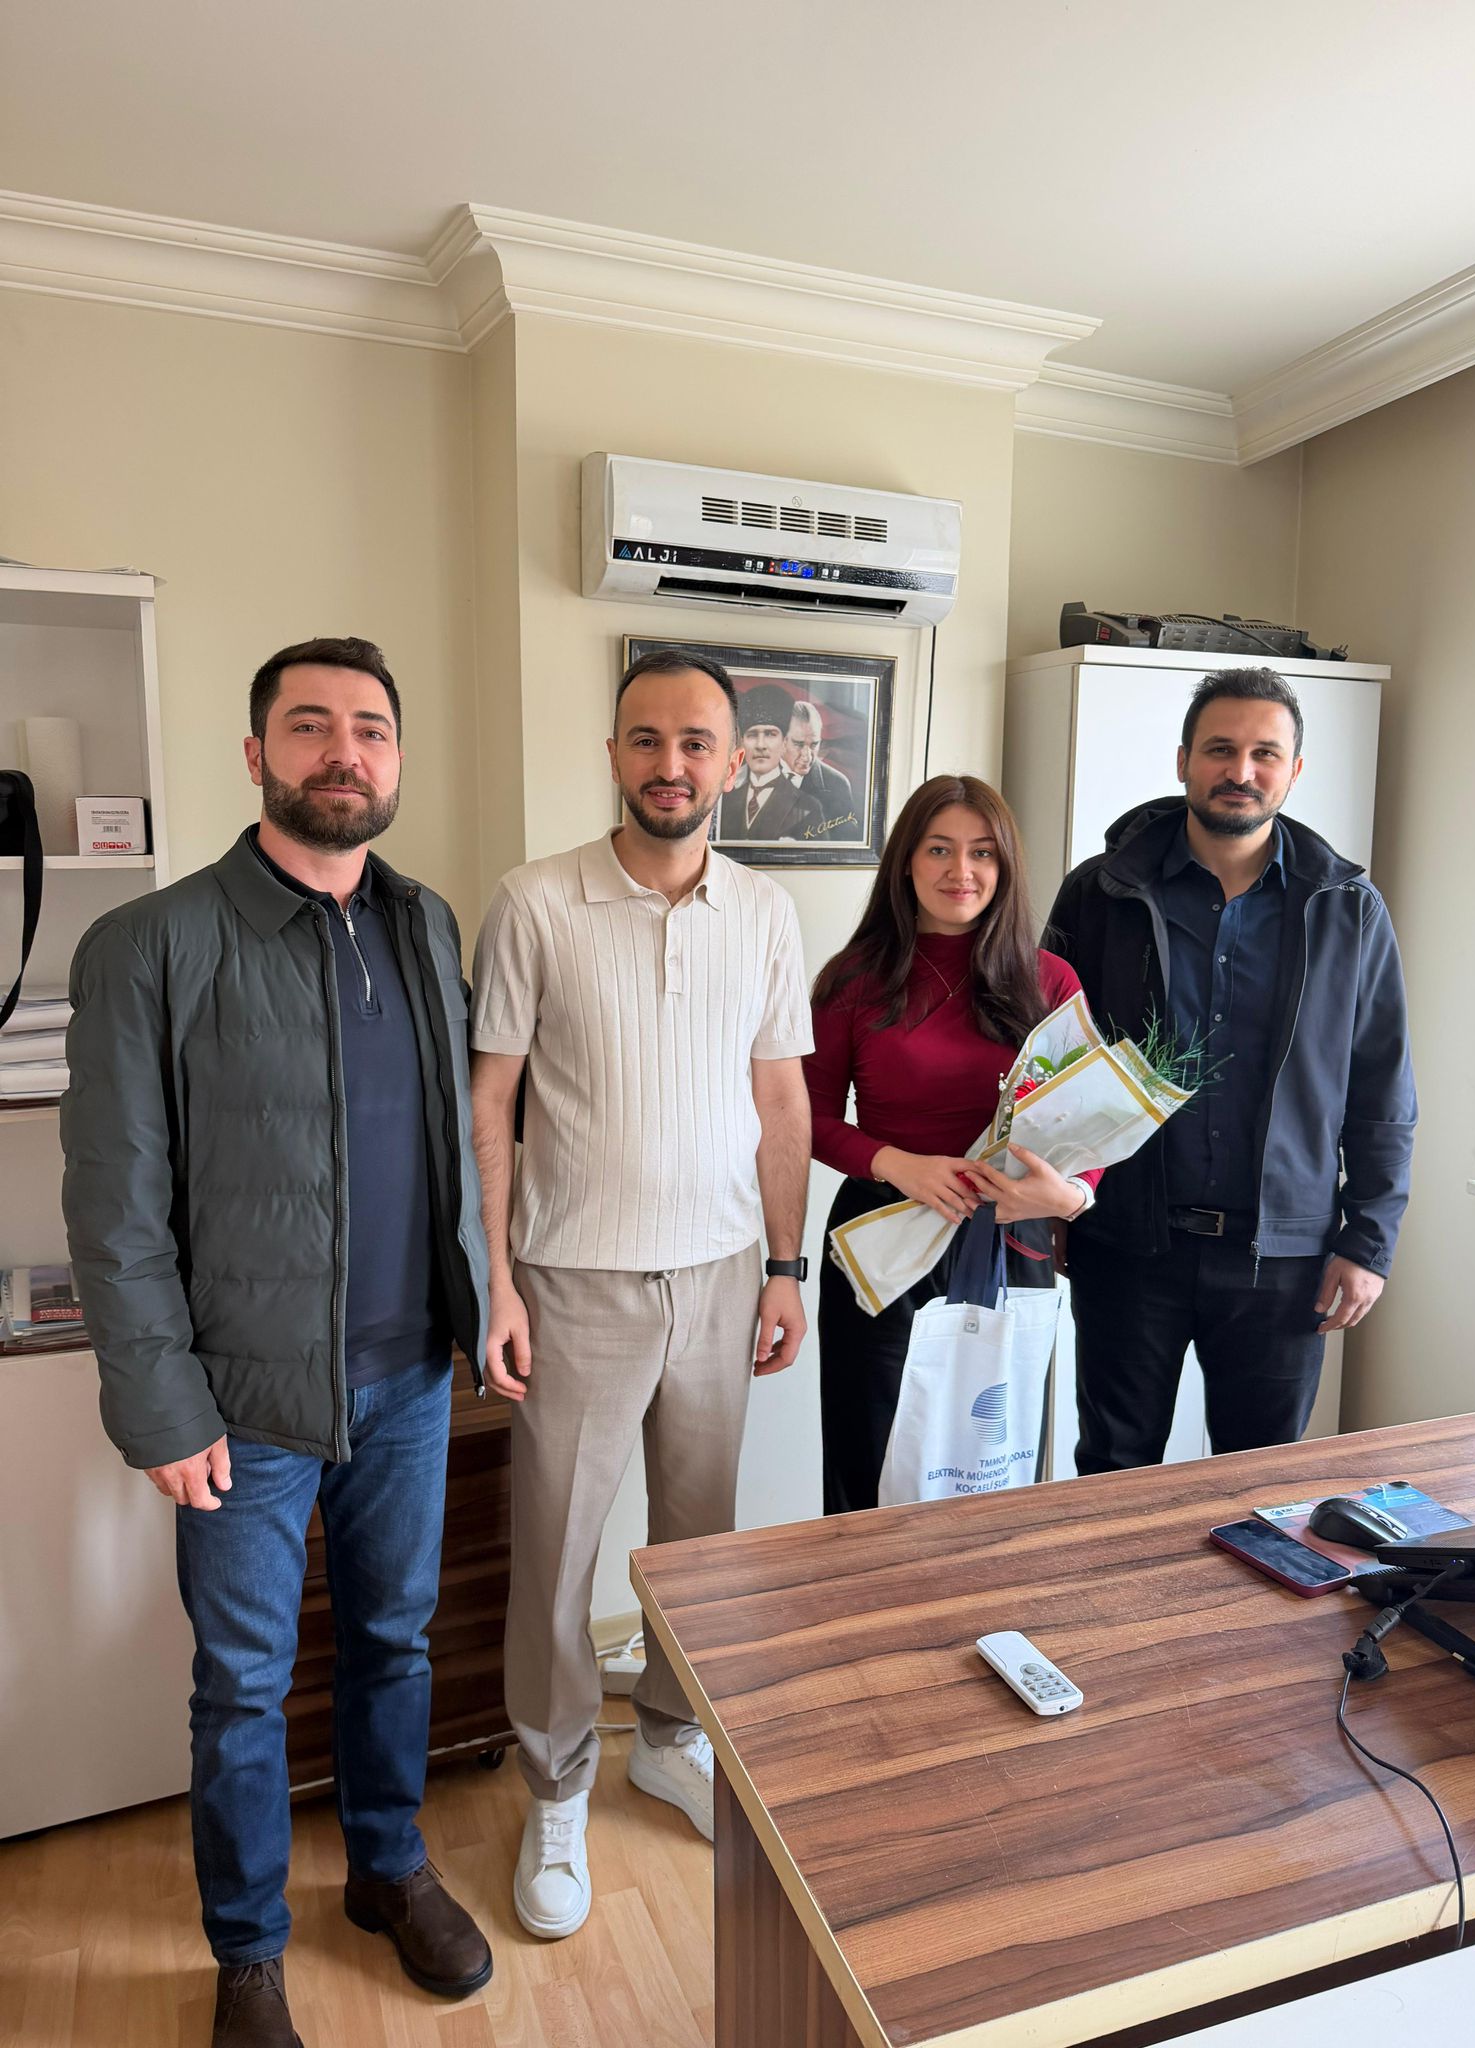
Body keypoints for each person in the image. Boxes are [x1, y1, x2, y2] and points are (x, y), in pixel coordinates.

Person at [60, 639, 493, 2047]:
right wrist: (160, 1401)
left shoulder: (423, 921)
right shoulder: (152, 944)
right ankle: (248, 1950)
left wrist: (483, 1301)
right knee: (243, 1685)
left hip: (410, 1377)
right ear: (256, 754)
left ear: (396, 758)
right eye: (309, 726)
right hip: (239, 1403)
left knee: (395, 1641)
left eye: (370, 728)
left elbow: (451, 1148)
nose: (342, 751)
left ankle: (387, 1867)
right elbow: (114, 1204)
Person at [469, 647, 813, 1941]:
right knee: (558, 1551)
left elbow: (781, 1097)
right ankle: (557, 1785)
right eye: (648, 739)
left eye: (696, 742)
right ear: (614, 753)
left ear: (733, 761)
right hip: (574, 1281)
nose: (672, 764)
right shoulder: (536, 900)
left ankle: (670, 1737)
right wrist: (497, 1278)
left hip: (723, 1274)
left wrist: (784, 1265)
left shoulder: (765, 911)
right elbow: (490, 1101)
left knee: (700, 1543)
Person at [1044, 666, 1417, 1474]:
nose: (1240, 770)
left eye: (1263, 753)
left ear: (1294, 770)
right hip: (1126, 1242)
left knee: (1260, 1485)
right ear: (1184, 760)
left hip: (1283, 1256)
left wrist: (1369, 1241)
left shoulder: (1349, 908)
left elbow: (1382, 1089)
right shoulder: (1099, 893)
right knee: (1112, 1471)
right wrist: (1052, 1198)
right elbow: (1053, 1062)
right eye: (1219, 749)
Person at [806, 775, 1099, 1514]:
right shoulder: (853, 981)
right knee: (872, 1463)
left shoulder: (1049, 981)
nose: (960, 871)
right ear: (906, 861)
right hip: (882, 1241)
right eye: (938, 849)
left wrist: (1070, 1195)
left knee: (991, 1466)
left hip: (1011, 1242)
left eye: (981, 853)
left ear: (1005, 867)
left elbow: (1090, 1123)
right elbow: (803, 1117)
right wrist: (894, 1163)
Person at [715, 681, 825, 840]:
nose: (760, 745)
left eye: (770, 734)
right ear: (743, 742)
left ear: (784, 742)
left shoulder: (808, 807)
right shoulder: (724, 802)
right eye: (752, 735)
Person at [784, 698, 861, 842]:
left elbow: (845, 844)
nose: (807, 756)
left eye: (814, 745)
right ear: (782, 740)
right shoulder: (757, 775)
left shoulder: (838, 784)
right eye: (798, 744)